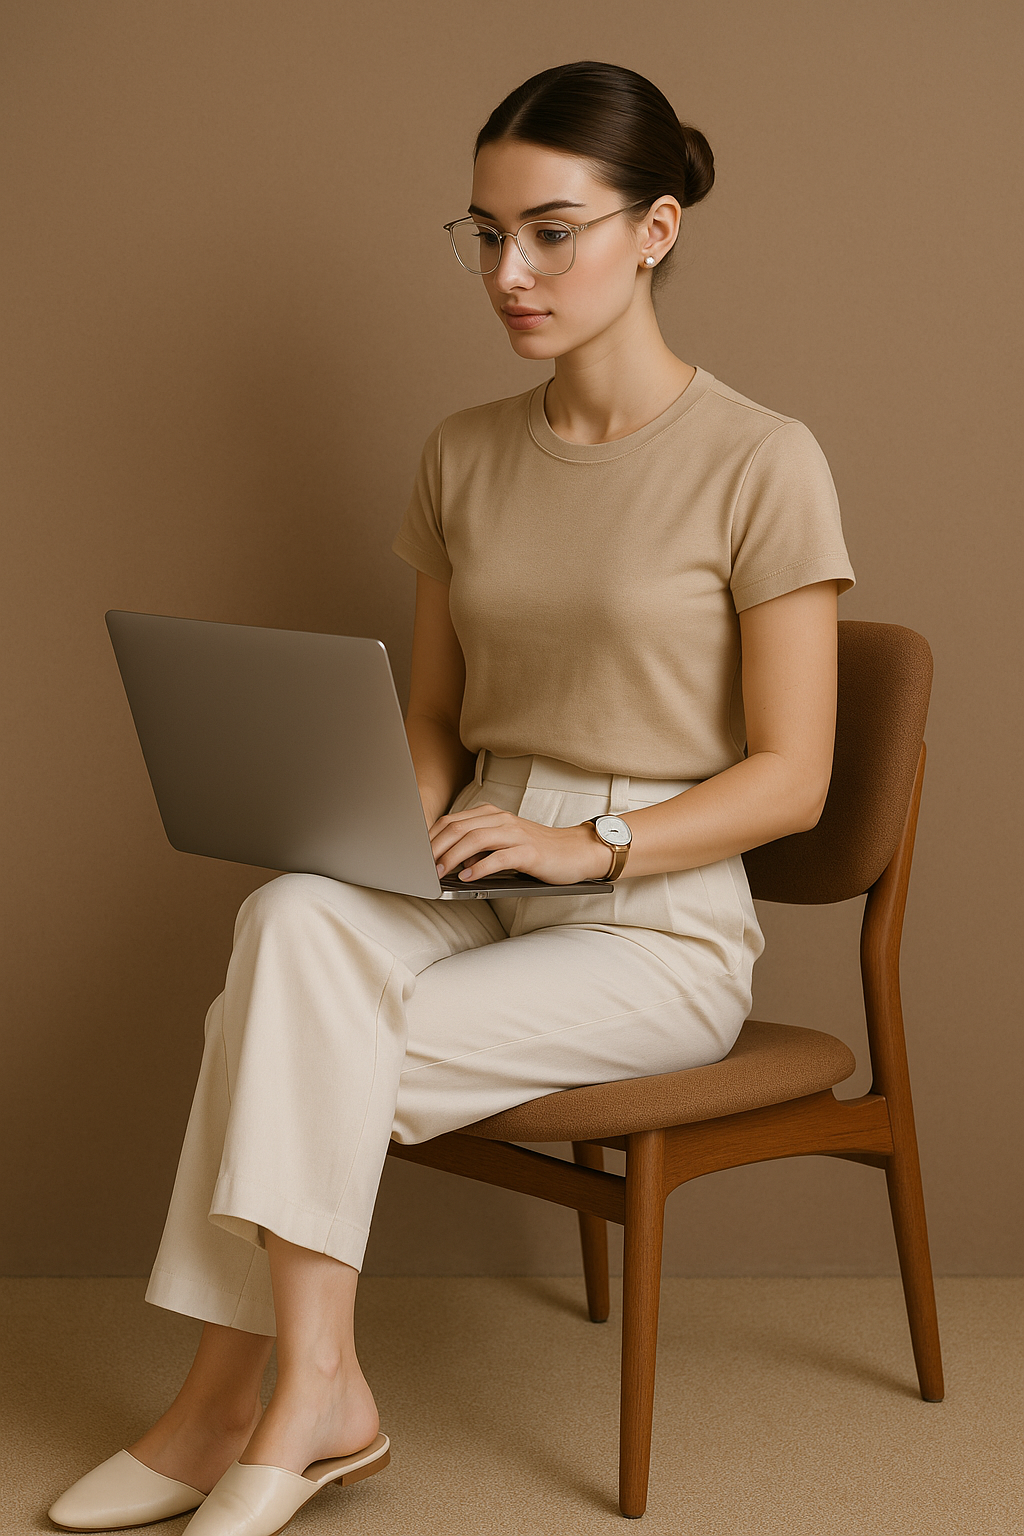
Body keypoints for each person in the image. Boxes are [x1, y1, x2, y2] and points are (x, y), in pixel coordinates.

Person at [48, 60, 854, 1536]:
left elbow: (794, 781)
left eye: (552, 231)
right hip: (477, 867)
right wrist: (376, 831)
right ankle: (301, 1394)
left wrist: (588, 838)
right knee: (293, 920)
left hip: (657, 923)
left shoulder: (762, 460)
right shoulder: (463, 454)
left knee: (278, 1029)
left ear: (657, 228)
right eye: (484, 234)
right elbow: (433, 717)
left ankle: (259, 1399)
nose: (511, 271)